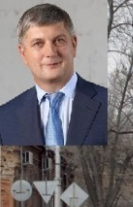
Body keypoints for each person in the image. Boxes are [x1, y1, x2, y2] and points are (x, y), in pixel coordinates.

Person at [0, 3, 108, 146]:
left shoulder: (107, 104)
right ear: (23, 53)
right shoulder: (4, 118)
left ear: (74, 45)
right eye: (38, 43)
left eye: (58, 41)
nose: (50, 52)